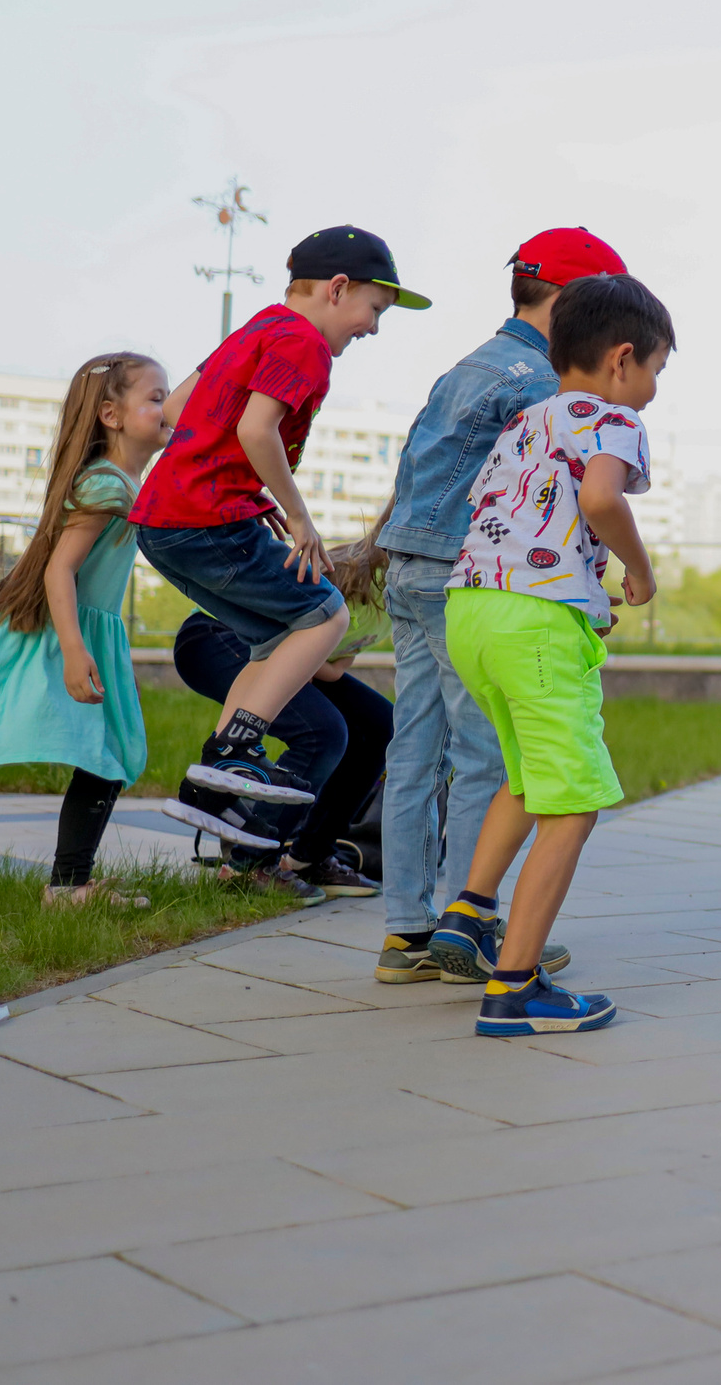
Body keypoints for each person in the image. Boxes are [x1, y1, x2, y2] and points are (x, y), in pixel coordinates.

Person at [372, 227, 627, 985]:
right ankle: (469, 923)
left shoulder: (467, 367)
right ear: (579, 303)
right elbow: (565, 493)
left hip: (409, 565)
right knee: (487, 753)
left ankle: (404, 930)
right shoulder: (541, 382)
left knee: (412, 749)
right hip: (477, 578)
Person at [426, 273, 671, 1035]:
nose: (654, 388)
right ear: (622, 360)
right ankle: (516, 985)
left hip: (471, 610)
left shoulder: (527, 420)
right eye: (658, 370)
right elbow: (601, 499)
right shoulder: (614, 418)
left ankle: (469, 913)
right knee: (574, 803)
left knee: (527, 777)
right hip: (533, 624)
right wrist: (637, 568)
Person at [131, 227, 427, 838]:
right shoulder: (305, 343)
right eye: (374, 310)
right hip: (206, 517)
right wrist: (297, 514)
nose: (372, 328)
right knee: (325, 615)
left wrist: (245, 485)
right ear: (338, 289)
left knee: (272, 636)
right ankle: (234, 752)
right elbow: (257, 430)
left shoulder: (258, 328)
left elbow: (179, 410)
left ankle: (209, 785)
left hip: (163, 524)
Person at [0, 353, 168, 907]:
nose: (168, 409)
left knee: (108, 754)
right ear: (112, 415)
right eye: (155, 398)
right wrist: (74, 649)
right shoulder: (107, 485)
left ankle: (70, 882)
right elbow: (58, 568)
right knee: (105, 755)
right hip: (72, 629)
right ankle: (68, 885)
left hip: (95, 631)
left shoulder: (123, 480)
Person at [167, 610, 389, 905]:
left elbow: (334, 669)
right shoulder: (363, 569)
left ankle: (309, 857)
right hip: (223, 634)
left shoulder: (416, 600)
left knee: (377, 725)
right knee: (322, 732)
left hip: (298, 652)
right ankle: (248, 866)